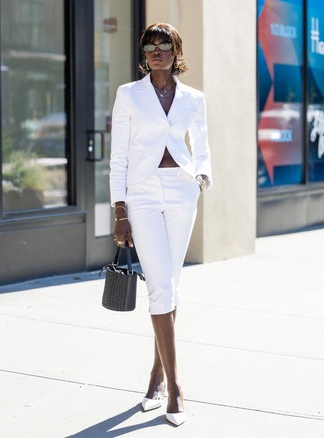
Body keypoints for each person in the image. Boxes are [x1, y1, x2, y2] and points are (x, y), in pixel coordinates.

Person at [109, 22, 212, 427]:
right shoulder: (128, 95)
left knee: (170, 285)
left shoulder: (193, 98)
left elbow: (202, 146)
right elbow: (118, 156)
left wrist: (201, 179)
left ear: (175, 50)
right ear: (144, 53)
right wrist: (120, 210)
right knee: (158, 286)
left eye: (164, 45)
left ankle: (155, 375)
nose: (156, 51)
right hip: (144, 194)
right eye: (150, 45)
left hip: (182, 192)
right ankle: (175, 386)